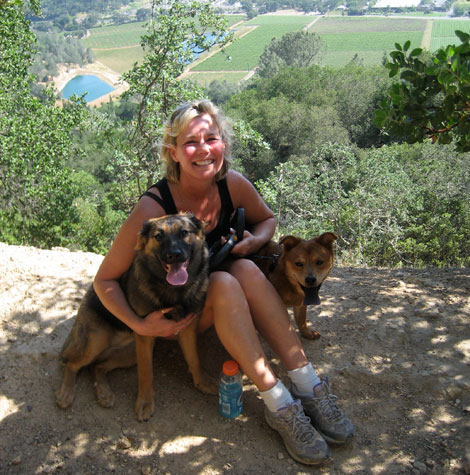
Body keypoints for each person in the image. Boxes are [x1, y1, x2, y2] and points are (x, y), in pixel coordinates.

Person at [93, 99, 354, 465]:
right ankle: (278, 404)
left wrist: (257, 240)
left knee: (244, 270)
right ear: (174, 152)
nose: (203, 150)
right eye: (191, 143)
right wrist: (139, 324)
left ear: (223, 144)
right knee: (226, 282)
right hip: (178, 318)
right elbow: (104, 279)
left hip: (213, 302)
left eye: (211, 138)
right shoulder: (154, 208)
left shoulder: (232, 184)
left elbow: (266, 219)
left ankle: (307, 383)